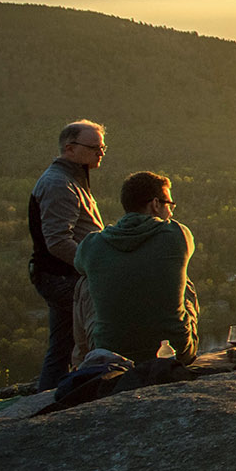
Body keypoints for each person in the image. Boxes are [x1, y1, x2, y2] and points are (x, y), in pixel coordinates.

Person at [75, 171, 199, 364]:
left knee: (84, 282)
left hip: (110, 354)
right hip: (176, 352)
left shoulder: (92, 244)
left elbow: (78, 265)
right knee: (183, 278)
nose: (171, 212)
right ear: (155, 204)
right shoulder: (178, 234)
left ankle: (84, 362)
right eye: (169, 205)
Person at [28, 119, 106, 390]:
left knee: (62, 346)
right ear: (70, 148)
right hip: (64, 277)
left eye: (103, 147)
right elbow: (59, 241)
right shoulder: (59, 184)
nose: (101, 153)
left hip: (62, 275)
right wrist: (93, 266)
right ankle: (64, 398)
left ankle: (51, 397)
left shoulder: (71, 179)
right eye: (94, 147)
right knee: (90, 339)